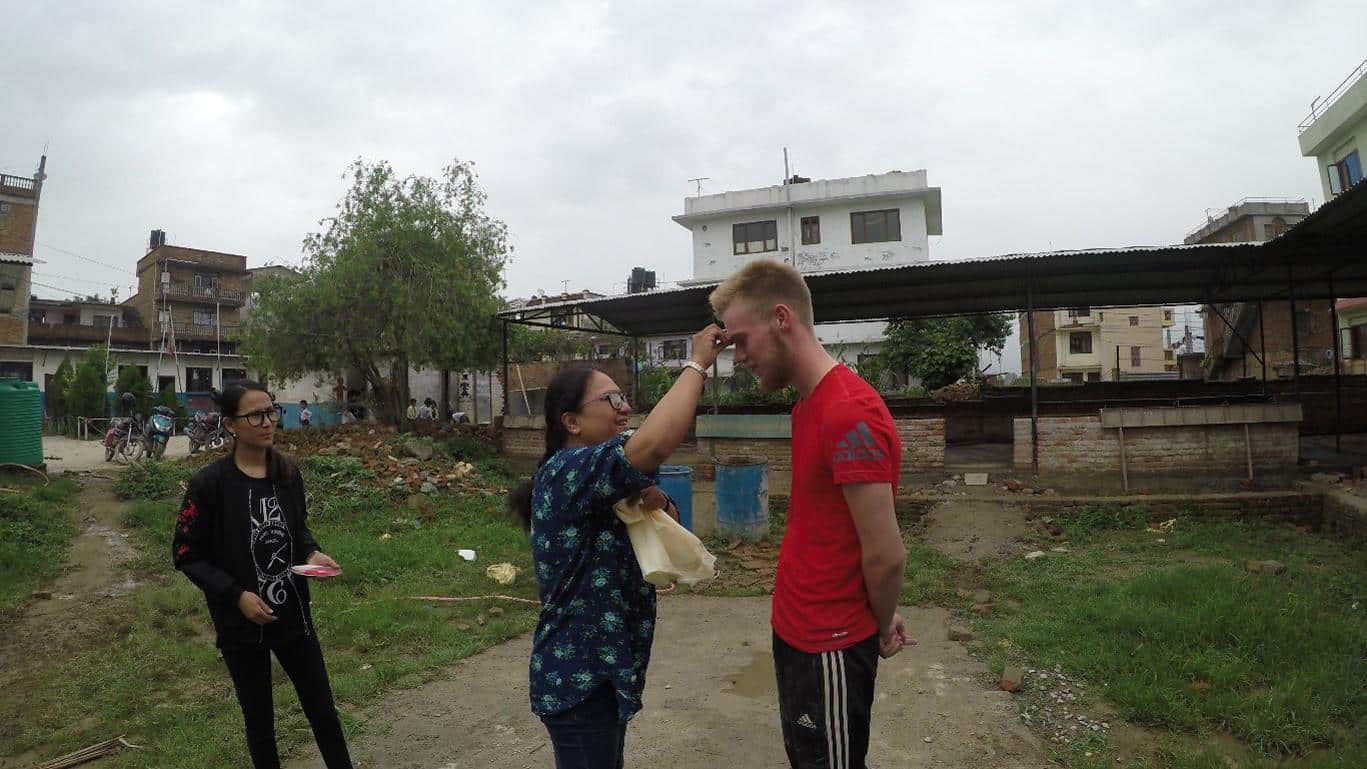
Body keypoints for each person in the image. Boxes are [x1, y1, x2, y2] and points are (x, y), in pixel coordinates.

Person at [709, 259, 913, 769]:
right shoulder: (808, 404)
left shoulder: (849, 413)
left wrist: (882, 621)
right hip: (797, 631)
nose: (737, 358)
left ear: (782, 318)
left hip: (832, 644)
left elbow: (886, 556)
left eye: (740, 340)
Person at [508, 323, 728, 769]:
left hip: (606, 671)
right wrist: (697, 362)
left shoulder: (605, 481)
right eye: (611, 400)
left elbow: (665, 526)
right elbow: (657, 442)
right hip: (580, 677)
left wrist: (657, 498)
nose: (624, 407)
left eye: (624, 397)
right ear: (571, 422)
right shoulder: (566, 471)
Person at [172, 381, 352, 769]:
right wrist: (236, 594)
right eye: (256, 414)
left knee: (323, 713)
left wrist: (312, 553)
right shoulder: (210, 485)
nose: (268, 421)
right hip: (241, 626)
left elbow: (297, 532)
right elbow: (186, 553)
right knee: (261, 726)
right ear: (231, 424)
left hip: (293, 617)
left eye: (272, 412)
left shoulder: (287, 474)